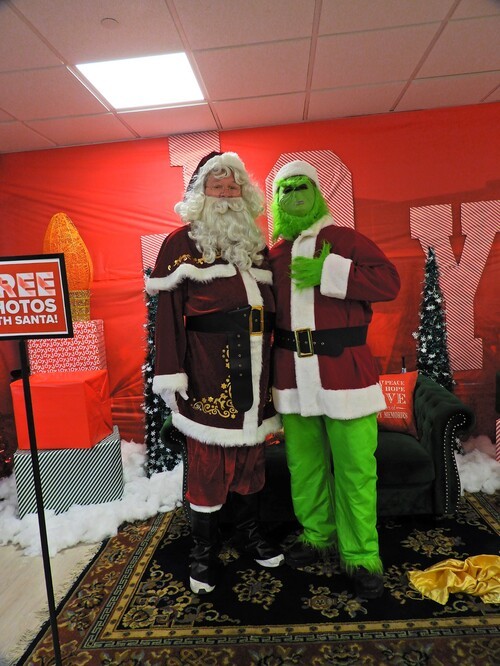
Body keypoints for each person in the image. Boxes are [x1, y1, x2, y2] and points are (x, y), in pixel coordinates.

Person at [147, 151, 283, 595]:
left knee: (250, 459)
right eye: (216, 186)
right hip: (208, 370)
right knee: (208, 466)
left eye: (232, 186)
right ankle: (203, 551)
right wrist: (172, 375)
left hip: (258, 370)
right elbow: (167, 317)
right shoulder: (179, 243)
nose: (226, 194)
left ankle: (249, 533)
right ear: (200, 193)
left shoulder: (254, 242)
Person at [268, 160, 401, 599]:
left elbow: (389, 282)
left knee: (356, 470)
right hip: (292, 378)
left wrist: (329, 273)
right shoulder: (274, 256)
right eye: (285, 189)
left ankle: (361, 555)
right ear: (276, 201)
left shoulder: (346, 240)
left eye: (300, 186)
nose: (293, 194)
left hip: (345, 375)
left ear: (317, 192)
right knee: (303, 466)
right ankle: (316, 535)